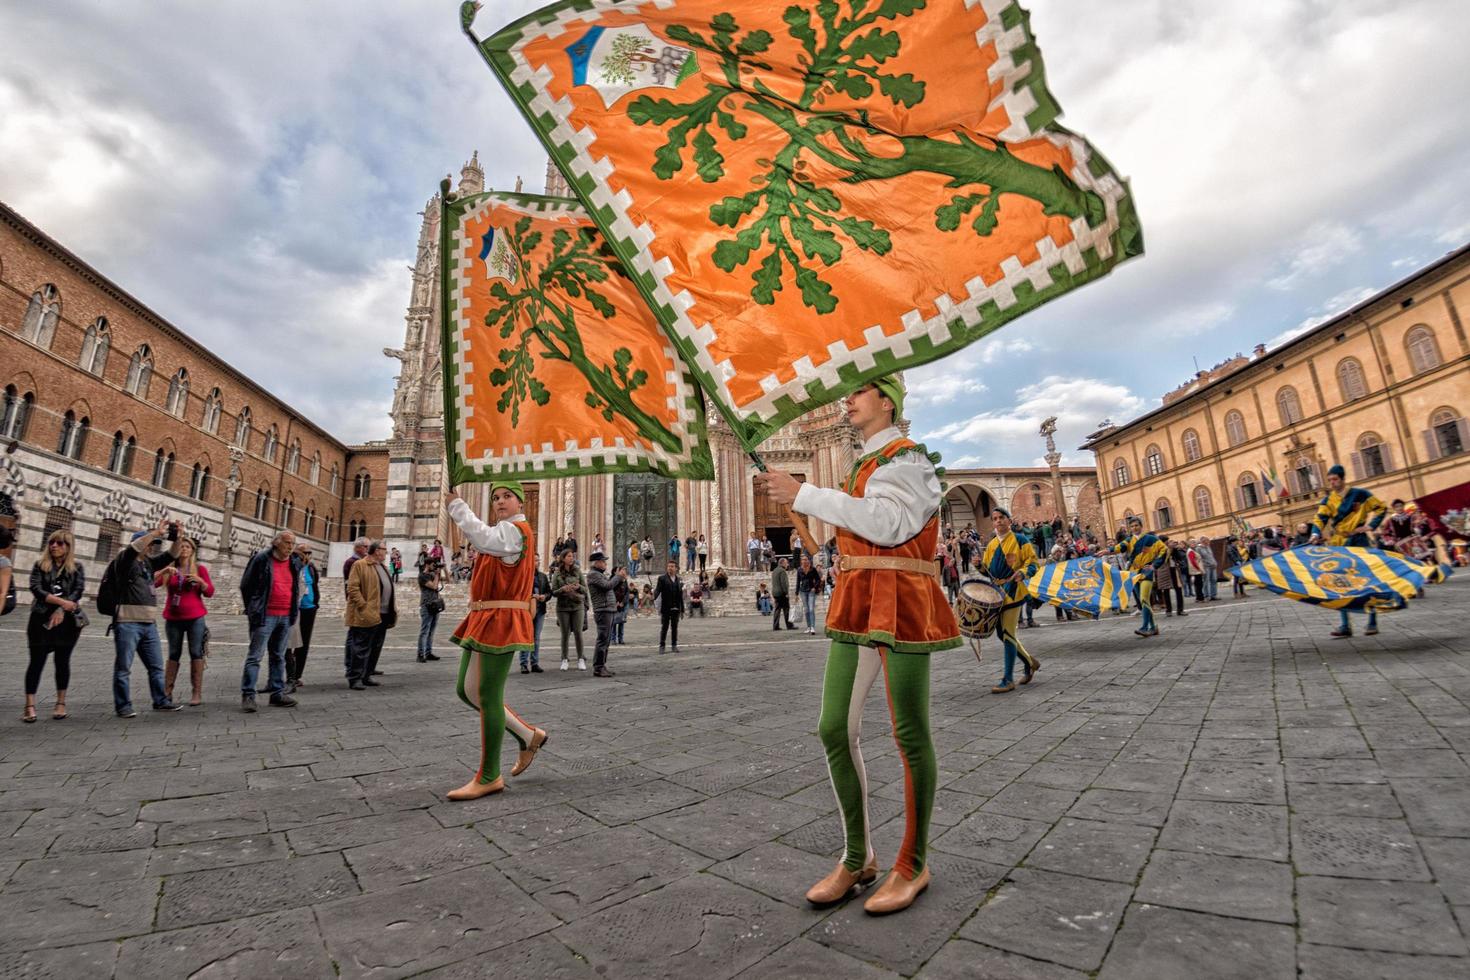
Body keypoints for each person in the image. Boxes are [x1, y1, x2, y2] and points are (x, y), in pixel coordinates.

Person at [756, 374, 961, 915]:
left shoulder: (910, 461)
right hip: (857, 599)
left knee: (909, 733)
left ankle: (912, 864)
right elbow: (862, 524)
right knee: (833, 727)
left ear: (887, 400)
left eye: (860, 390)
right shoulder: (861, 465)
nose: (847, 398)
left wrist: (804, 494)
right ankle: (857, 856)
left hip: (902, 606)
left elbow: (889, 523)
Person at [444, 482, 549, 800]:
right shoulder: (504, 531)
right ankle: (528, 735)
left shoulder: (516, 531)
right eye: (495, 497)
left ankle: (489, 775)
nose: (500, 502)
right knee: (467, 690)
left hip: (502, 620)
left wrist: (457, 505)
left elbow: (483, 538)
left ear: (521, 503)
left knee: (487, 694)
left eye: (507, 497)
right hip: (483, 618)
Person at [108, 521, 186, 718]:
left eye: (153, 545)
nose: (152, 547)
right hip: (127, 623)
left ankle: (161, 701)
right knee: (124, 667)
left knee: (156, 666)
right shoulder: (124, 561)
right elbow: (133, 549)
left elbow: (172, 555)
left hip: (149, 624)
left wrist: (178, 538)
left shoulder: (148, 564)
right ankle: (123, 705)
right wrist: (154, 533)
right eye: (149, 544)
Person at [1312, 463, 1389, 638]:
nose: (1332, 483)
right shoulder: (1328, 500)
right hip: (1338, 542)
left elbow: (1381, 507)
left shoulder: (1360, 495)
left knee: (1367, 581)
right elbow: (1320, 518)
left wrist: (1370, 526)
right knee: (1339, 582)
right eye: (1330, 480)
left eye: (1335, 479)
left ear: (1342, 479)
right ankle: (1345, 625)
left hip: (1358, 539)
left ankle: (1372, 621)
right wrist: (1315, 533)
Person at [23, 529, 85, 723]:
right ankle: (30, 705)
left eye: (59, 543)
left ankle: (60, 703)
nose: (54, 546)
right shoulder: (40, 565)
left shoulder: (76, 567)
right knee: (36, 662)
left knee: (62, 661)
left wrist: (62, 610)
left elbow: (78, 590)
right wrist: (60, 603)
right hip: (40, 619)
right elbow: (36, 589)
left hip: (67, 624)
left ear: (68, 547)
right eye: (52, 543)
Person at [239, 531, 303, 711]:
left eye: (293, 543)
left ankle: (277, 693)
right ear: (276, 543)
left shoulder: (293, 562)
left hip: (285, 615)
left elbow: (295, 587)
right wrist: (253, 609)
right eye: (287, 543)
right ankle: (248, 695)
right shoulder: (261, 559)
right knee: (255, 656)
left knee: (279, 656)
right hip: (265, 615)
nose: (290, 547)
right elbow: (246, 585)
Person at [983, 508, 1040, 693]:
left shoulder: (1020, 539)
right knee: (1002, 634)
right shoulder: (991, 545)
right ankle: (1030, 662)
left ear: (1009, 520)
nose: (998, 521)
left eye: (1001, 518)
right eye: (995, 518)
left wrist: (1023, 573)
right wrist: (978, 566)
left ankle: (1008, 679)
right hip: (997, 593)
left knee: (1007, 634)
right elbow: (988, 572)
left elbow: (1033, 563)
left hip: (1014, 591)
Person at [158, 536, 214, 706]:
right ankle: (167, 691)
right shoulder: (170, 568)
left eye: (187, 547)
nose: (184, 549)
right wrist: (164, 571)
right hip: (173, 618)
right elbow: (152, 583)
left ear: (192, 551)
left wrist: (201, 582)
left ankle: (196, 692)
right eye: (181, 547)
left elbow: (210, 592)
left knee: (196, 652)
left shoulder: (199, 569)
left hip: (195, 618)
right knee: (173, 653)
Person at [344, 541, 396, 689]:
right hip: (367, 613)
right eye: (384, 549)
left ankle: (366, 675)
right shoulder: (360, 565)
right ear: (376, 550)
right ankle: (355, 678)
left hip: (383, 614)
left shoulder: (383, 567)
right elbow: (352, 588)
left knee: (375, 647)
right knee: (361, 647)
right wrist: (363, 606)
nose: (386, 553)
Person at [1118, 515, 1167, 637]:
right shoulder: (1129, 540)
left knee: (1144, 599)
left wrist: (1154, 565)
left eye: (1136, 525)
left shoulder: (1150, 538)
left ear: (1141, 526)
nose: (1134, 528)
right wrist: (1107, 550)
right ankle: (1153, 627)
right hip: (1134, 573)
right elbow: (1120, 547)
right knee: (1142, 601)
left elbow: (1164, 549)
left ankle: (1145, 627)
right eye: (1132, 526)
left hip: (1146, 573)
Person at [287, 541, 320, 691]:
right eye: (303, 552)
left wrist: (316, 602)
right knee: (288, 644)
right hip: (295, 609)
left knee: (304, 644)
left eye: (308, 553)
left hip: (309, 609)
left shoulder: (311, 568)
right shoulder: (292, 566)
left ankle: (297, 675)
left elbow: (314, 585)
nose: (306, 556)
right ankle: (290, 674)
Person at [551, 548, 589, 670]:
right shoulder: (557, 573)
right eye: (568, 556)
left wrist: (578, 587)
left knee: (578, 632)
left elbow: (585, 589)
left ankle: (580, 659)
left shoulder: (577, 571)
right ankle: (564, 659)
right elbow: (553, 592)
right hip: (563, 607)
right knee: (565, 634)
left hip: (577, 606)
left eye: (572, 556)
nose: (571, 558)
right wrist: (563, 590)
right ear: (563, 558)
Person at [586, 550, 617, 678]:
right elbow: (607, 586)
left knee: (606, 639)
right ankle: (598, 667)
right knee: (602, 639)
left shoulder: (599, 574)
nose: (605, 564)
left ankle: (602, 665)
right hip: (602, 610)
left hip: (607, 609)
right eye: (603, 561)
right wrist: (618, 576)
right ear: (597, 563)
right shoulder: (594, 575)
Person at [522, 556, 551, 674]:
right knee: (526, 637)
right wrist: (532, 596)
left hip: (540, 610)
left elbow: (550, 592)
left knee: (536, 638)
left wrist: (545, 596)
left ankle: (534, 663)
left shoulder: (543, 577)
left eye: (538, 560)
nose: (537, 562)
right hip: (527, 609)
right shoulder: (523, 576)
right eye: (534, 560)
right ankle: (523, 663)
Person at [417, 557, 444, 663]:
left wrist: (442, 570)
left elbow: (446, 581)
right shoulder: (422, 576)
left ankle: (428, 653)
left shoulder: (433, 574)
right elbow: (433, 586)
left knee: (431, 631)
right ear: (427, 564)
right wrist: (437, 575)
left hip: (435, 605)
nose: (434, 566)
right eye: (433, 564)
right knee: (424, 631)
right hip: (426, 605)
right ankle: (420, 654)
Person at [655, 559, 683, 653]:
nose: (670, 568)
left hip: (676, 607)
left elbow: (680, 595)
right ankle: (662, 646)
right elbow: (658, 590)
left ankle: (674, 645)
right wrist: (653, 596)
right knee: (664, 627)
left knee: (674, 628)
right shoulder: (662, 578)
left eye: (672, 566)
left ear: (676, 568)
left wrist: (681, 609)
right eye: (668, 566)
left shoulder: (678, 580)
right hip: (665, 607)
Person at [796, 553, 822, 634]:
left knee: (811, 609)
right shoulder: (799, 570)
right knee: (806, 610)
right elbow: (798, 582)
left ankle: (813, 627)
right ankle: (808, 626)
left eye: (806, 559)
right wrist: (796, 594)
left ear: (808, 560)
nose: (804, 561)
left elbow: (818, 579)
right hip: (802, 591)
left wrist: (815, 587)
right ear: (801, 561)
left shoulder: (812, 569)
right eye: (803, 560)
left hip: (811, 590)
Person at [771, 556, 795, 630]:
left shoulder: (775, 570)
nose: (787, 564)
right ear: (782, 563)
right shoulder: (782, 571)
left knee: (777, 609)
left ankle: (775, 626)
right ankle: (789, 625)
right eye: (786, 563)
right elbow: (783, 583)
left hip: (775, 592)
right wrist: (786, 592)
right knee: (786, 609)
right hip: (781, 593)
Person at [1196, 535, 1219, 602]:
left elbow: (1211, 556)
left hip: (1213, 566)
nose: (1208, 542)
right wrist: (1203, 565)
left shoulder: (1208, 547)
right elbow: (1199, 558)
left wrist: (1215, 562)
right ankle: (1206, 595)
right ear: (1203, 541)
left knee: (1214, 580)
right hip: (1206, 567)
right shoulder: (1198, 548)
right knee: (1206, 581)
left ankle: (1213, 595)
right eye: (1207, 541)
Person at [612, 565, 630, 643]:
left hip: (623, 604)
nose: (623, 572)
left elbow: (627, 592)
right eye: (622, 570)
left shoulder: (625, 581)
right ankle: (613, 639)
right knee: (614, 622)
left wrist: (623, 602)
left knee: (621, 621)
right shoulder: (613, 579)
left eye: (624, 571)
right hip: (614, 603)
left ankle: (620, 638)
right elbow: (612, 591)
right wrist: (616, 602)